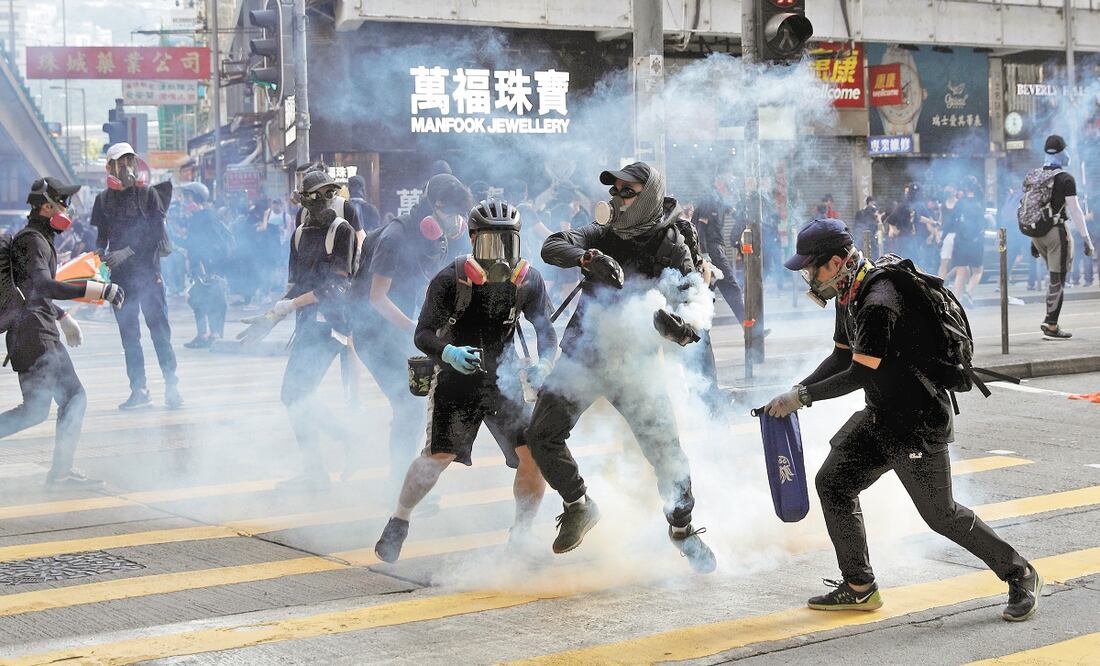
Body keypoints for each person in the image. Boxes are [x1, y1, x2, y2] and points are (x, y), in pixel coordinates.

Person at [765, 218, 1041, 622]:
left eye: (812, 267)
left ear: (837, 261)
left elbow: (861, 372)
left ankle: (1021, 573)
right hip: (881, 416)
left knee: (941, 515)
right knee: (834, 484)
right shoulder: (849, 293)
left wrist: (802, 398)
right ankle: (860, 586)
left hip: (917, 423)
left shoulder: (879, 298)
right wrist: (797, 389)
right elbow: (842, 356)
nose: (809, 276)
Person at [525, 162, 717, 573]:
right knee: (541, 434)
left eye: (627, 191)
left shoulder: (670, 243)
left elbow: (694, 303)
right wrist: (588, 258)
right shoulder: (602, 233)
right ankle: (579, 504)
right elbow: (553, 245)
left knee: (668, 456)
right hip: (584, 355)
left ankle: (682, 531)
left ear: (647, 195)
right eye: (615, 191)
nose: (617, 198)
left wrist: (679, 327)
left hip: (635, 365)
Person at [374, 199, 557, 562]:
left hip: (506, 379)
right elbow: (423, 335)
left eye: (509, 242)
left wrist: (545, 363)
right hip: (457, 381)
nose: (501, 253)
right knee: (437, 456)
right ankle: (400, 520)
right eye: (492, 242)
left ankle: (520, 537)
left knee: (533, 457)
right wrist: (450, 354)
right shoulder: (449, 279)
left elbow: (546, 332)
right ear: (473, 240)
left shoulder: (529, 281)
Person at [348, 173, 473, 489]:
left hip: (403, 331)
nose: (456, 221)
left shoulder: (434, 237)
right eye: (453, 213)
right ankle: (398, 487)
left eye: (461, 216)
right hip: (374, 334)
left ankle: (403, 481)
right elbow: (377, 299)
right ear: (437, 205)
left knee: (416, 407)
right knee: (409, 406)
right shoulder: (395, 239)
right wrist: (420, 331)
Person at [1, 178, 124, 488]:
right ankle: (61, 473)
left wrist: (62, 315)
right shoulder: (33, 241)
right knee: (74, 398)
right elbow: (42, 286)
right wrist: (98, 289)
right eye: (64, 202)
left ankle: (61, 472)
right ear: (47, 206)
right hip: (35, 334)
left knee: (35, 411)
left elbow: (29, 291)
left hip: (28, 333)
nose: (68, 210)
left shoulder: (33, 238)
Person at [239, 170, 358, 490]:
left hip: (331, 326)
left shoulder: (341, 230)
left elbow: (336, 287)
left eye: (329, 194)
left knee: (295, 395)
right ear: (303, 200)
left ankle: (342, 445)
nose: (324, 201)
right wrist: (271, 316)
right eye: (316, 196)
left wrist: (287, 307)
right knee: (296, 396)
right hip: (307, 323)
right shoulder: (299, 234)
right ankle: (321, 464)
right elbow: (295, 285)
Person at [92, 142, 182, 410]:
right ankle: (139, 389)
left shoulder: (148, 195)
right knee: (129, 337)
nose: (126, 167)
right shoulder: (102, 200)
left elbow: (155, 234)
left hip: (148, 275)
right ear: (110, 167)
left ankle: (172, 385)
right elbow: (101, 237)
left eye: (130, 161)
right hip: (120, 280)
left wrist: (127, 251)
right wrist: (98, 254)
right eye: (120, 163)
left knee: (160, 332)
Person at [1026, 135, 1095, 339]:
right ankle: (1051, 324)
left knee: (1053, 277)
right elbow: (1075, 211)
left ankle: (1050, 319)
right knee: (1058, 279)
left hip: (1037, 234)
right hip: (1056, 232)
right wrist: (1086, 239)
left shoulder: (1035, 175)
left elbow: (1032, 207)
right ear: (1063, 152)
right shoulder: (1066, 178)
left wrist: (1033, 239)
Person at [177, 182, 230, 349]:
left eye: (188, 197)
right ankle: (203, 335)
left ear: (198, 198)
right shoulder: (195, 218)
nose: (186, 201)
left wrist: (207, 263)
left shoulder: (207, 216)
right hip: (198, 267)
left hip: (208, 268)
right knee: (197, 300)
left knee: (215, 300)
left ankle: (214, 335)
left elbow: (216, 243)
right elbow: (191, 244)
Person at [950, 176, 987, 308]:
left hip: (961, 241)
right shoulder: (980, 202)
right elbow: (984, 221)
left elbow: (952, 221)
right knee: (977, 270)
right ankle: (969, 292)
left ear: (965, 188)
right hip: (976, 241)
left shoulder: (960, 203)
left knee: (961, 272)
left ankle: (954, 302)